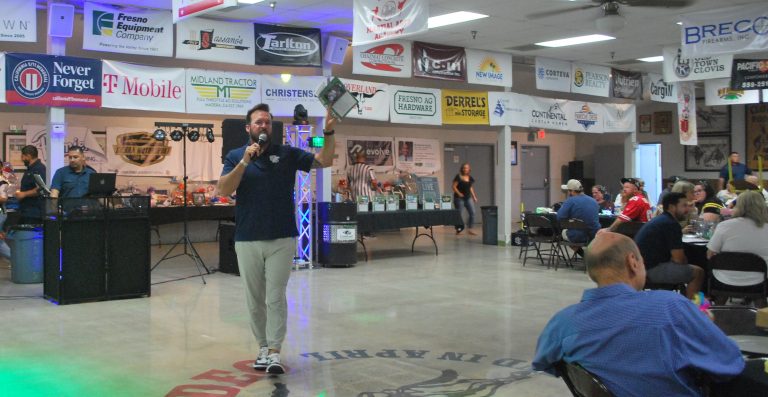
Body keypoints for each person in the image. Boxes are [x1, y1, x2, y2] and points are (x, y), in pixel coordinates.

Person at [532, 232, 744, 396]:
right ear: (633, 262)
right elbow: (729, 364)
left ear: (590, 271)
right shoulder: (672, 307)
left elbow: (545, 363)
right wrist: (705, 326)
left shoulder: (563, 322)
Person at [217, 104, 335, 375]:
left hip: (282, 238)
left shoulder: (287, 154)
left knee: (275, 297)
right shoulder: (236, 156)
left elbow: (325, 160)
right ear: (248, 128)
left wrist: (328, 131)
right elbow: (222, 189)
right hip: (247, 239)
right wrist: (245, 162)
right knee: (254, 299)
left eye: (267, 122)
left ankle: (274, 352)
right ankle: (261, 346)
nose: (263, 126)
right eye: (258, 122)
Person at [634, 192, 705, 299]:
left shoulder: (660, 220)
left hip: (640, 268)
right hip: (650, 270)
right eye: (684, 205)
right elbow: (679, 259)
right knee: (698, 273)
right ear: (672, 207)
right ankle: (691, 310)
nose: (687, 209)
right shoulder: (671, 224)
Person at [707, 191, 768, 307]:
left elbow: (710, 255)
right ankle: (763, 318)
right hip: (760, 281)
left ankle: (714, 317)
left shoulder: (724, 226)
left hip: (724, 279)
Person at [557, 179, 599, 244]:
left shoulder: (570, 201)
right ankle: (586, 253)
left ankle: (582, 254)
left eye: (568, 190)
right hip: (595, 235)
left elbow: (559, 217)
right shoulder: (594, 201)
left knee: (563, 232)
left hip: (577, 236)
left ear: (571, 191)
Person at [16, 145, 46, 224]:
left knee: (30, 235)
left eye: (22, 156)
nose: (22, 159)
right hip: (26, 210)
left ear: (28, 156)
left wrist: (24, 194)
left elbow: (42, 189)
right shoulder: (30, 169)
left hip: (34, 212)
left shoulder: (39, 169)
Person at [452, 162, 478, 235]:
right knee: (459, 214)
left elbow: (470, 187)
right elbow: (453, 187)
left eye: (466, 168)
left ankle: (470, 229)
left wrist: (474, 196)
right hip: (459, 198)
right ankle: (458, 229)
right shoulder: (458, 176)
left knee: (472, 213)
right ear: (462, 169)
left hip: (468, 198)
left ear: (469, 169)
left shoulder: (470, 177)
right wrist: (459, 193)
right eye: (464, 168)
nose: (465, 169)